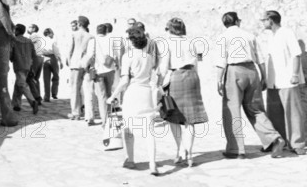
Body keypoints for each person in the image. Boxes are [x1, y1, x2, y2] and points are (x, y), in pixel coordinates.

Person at [216, 12, 285, 159]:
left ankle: (236, 150)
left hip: (234, 71)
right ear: (237, 21)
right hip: (252, 71)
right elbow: (260, 58)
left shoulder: (223, 37)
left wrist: (219, 80)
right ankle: (274, 138)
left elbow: (221, 61)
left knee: (232, 111)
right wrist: (264, 77)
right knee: (256, 109)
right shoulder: (249, 35)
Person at [107, 27, 161, 176]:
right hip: (146, 93)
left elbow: (124, 80)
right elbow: (152, 78)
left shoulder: (127, 56)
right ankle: (152, 164)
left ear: (131, 41)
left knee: (129, 129)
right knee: (149, 131)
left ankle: (130, 159)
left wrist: (113, 96)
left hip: (133, 93)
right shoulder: (149, 57)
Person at [159, 18, 208, 167]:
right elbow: (197, 63)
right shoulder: (192, 42)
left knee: (173, 116)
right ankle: (190, 153)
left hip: (177, 77)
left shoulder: (167, 43)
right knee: (190, 118)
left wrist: (160, 83)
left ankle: (180, 150)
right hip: (192, 77)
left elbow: (163, 68)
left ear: (170, 29)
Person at [260, 10, 306, 155]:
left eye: (264, 20)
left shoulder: (287, 32)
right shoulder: (271, 37)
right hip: (273, 81)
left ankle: (297, 143)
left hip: (287, 80)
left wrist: (294, 74)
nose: (263, 23)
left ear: (271, 20)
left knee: (293, 113)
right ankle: (281, 142)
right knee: (275, 114)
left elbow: (296, 54)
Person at [88, 23, 125, 126]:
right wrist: (117, 65)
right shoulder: (111, 39)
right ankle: (109, 118)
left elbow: (90, 56)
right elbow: (116, 55)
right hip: (110, 70)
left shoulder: (92, 41)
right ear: (106, 31)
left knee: (102, 96)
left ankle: (105, 121)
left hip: (98, 71)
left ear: (97, 31)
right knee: (109, 94)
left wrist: (90, 67)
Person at [67, 16, 94, 121]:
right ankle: (86, 111)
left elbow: (70, 49)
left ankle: (76, 112)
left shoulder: (74, 34)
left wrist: (69, 61)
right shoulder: (90, 36)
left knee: (74, 88)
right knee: (86, 89)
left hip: (75, 63)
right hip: (85, 64)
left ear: (79, 24)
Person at [11, 24, 39, 114]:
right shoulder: (29, 41)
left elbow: (11, 54)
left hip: (19, 65)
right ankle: (16, 105)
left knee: (22, 84)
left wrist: (11, 59)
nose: (14, 32)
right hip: (28, 66)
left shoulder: (14, 40)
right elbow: (34, 54)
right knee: (18, 84)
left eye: (15, 30)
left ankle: (33, 102)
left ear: (18, 31)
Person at [41, 28, 63, 102]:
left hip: (45, 58)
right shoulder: (52, 41)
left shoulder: (42, 41)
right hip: (52, 58)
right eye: (52, 33)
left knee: (46, 79)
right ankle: (54, 93)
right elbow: (56, 52)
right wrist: (60, 61)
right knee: (56, 76)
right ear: (50, 33)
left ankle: (46, 96)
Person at [27, 24, 44, 105]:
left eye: (29, 27)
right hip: (40, 57)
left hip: (35, 58)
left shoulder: (33, 35)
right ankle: (38, 98)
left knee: (30, 78)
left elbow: (29, 45)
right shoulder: (39, 36)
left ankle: (36, 97)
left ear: (34, 28)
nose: (28, 29)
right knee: (36, 79)